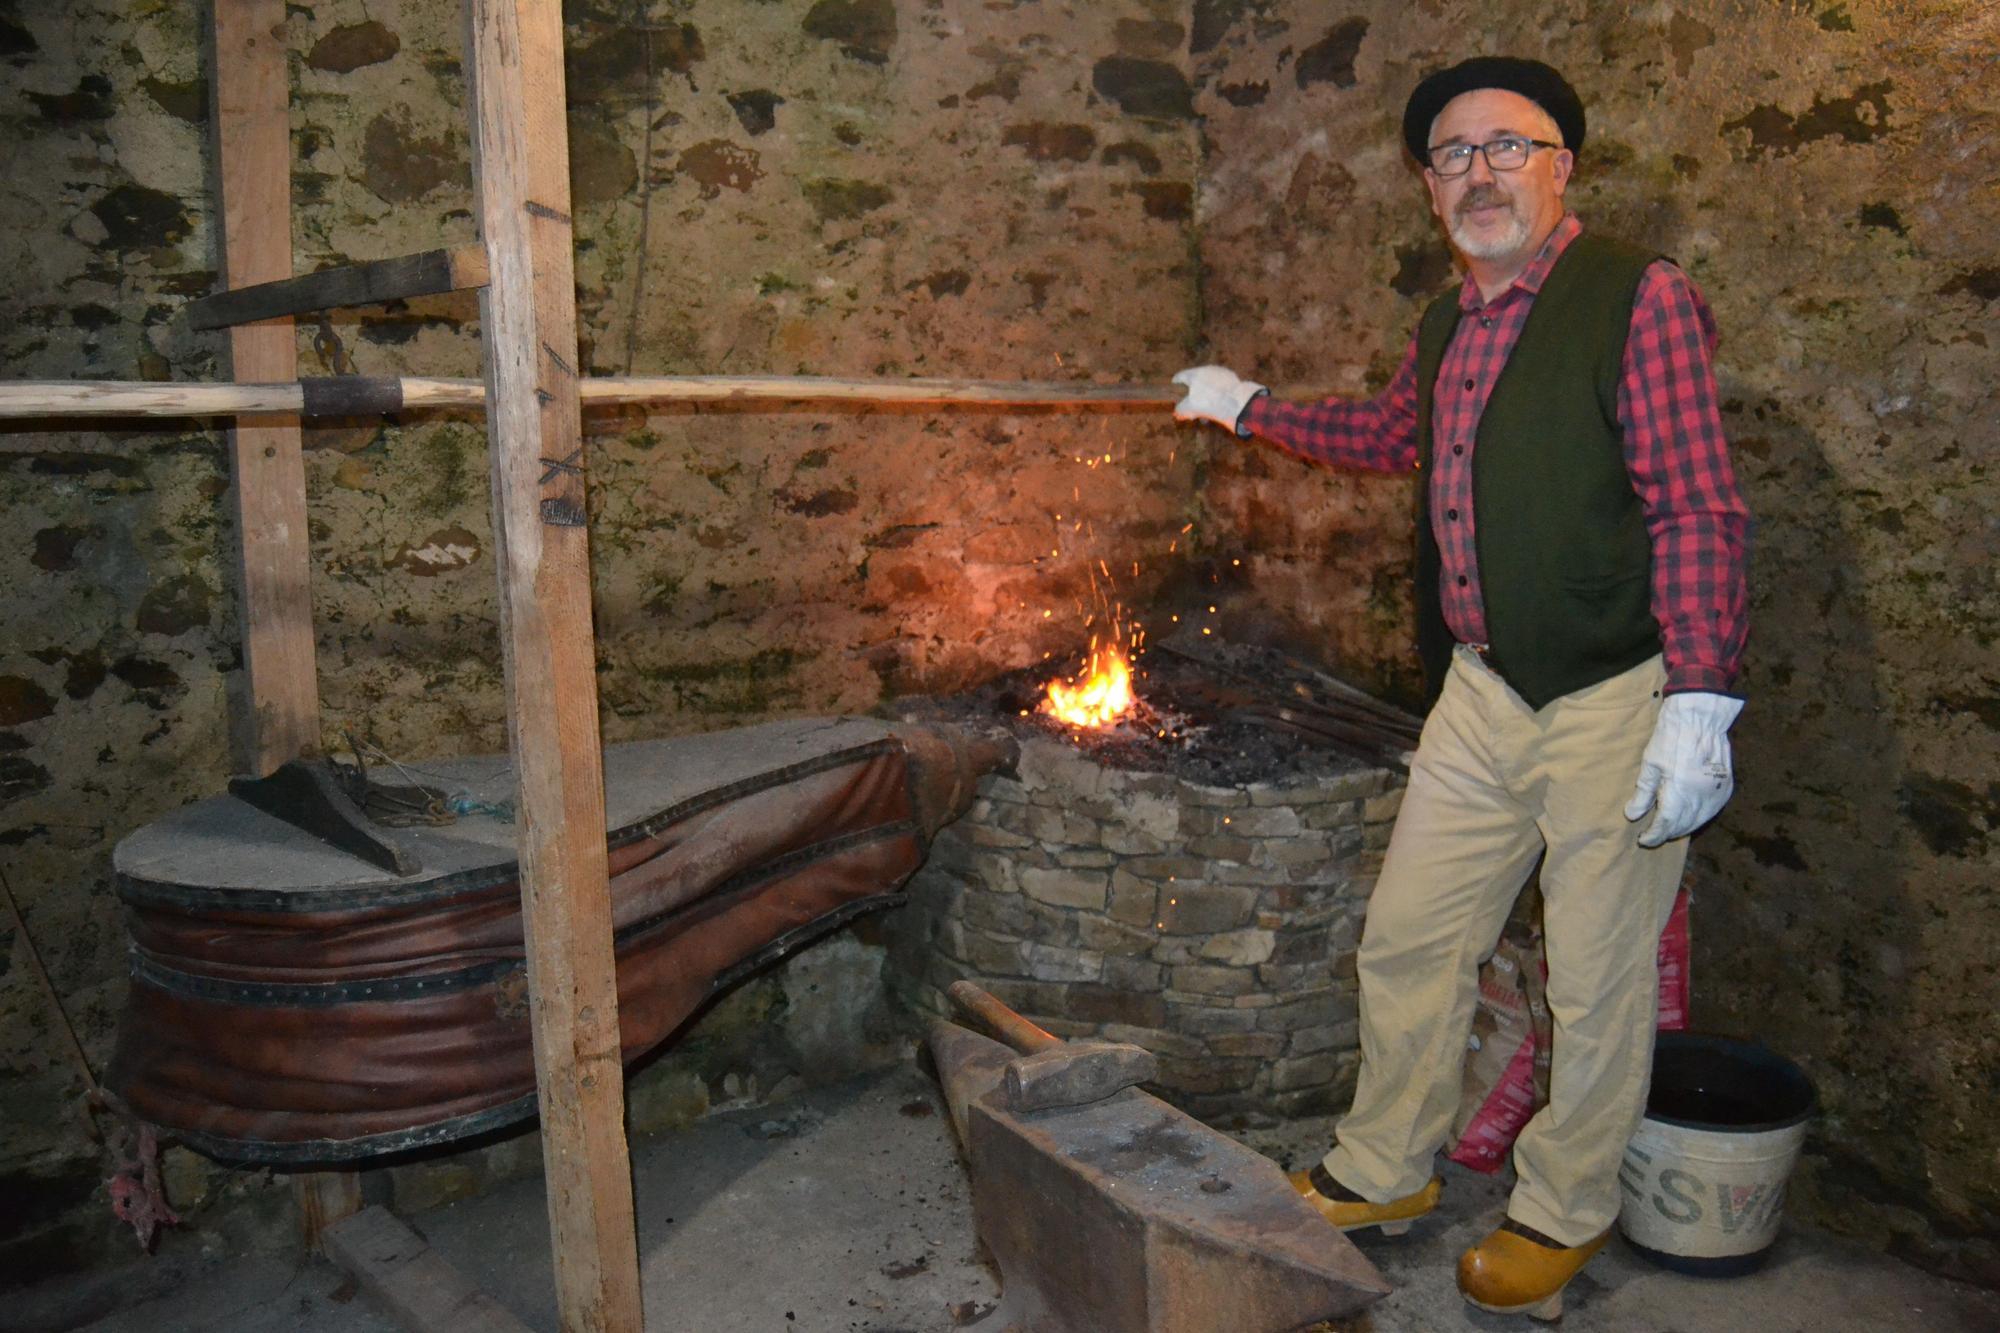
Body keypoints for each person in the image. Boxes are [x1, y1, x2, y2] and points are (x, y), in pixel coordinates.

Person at [1173, 56, 1750, 1320]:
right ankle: (1382, 1169)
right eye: (1450, 154)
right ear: (1427, 186)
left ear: (1562, 167)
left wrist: (1697, 697)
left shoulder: (1633, 299)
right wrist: (1252, 408)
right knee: (1410, 938)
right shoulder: (1445, 322)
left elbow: (1695, 505)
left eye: (1507, 146)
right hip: (1483, 691)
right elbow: (1394, 436)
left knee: (1594, 981)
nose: (1477, 172)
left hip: (1613, 691)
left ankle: (1559, 1209)